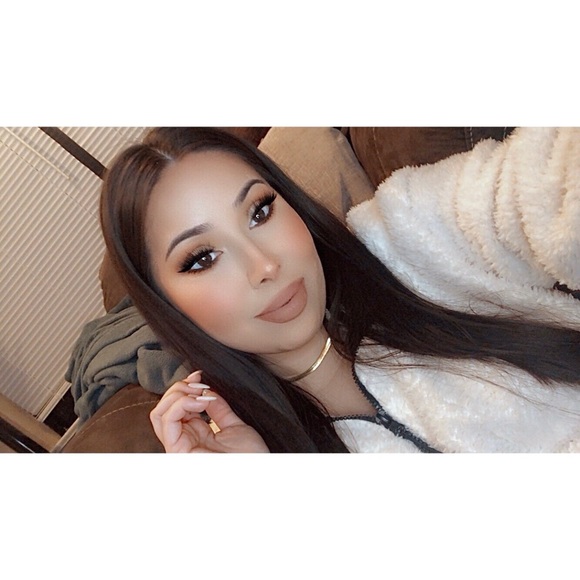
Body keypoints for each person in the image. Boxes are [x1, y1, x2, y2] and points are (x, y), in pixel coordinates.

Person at [99, 127, 580, 453]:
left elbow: (543, 179)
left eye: (260, 211)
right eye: (203, 258)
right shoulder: (249, 447)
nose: (265, 265)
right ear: (165, 304)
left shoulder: (408, 235)